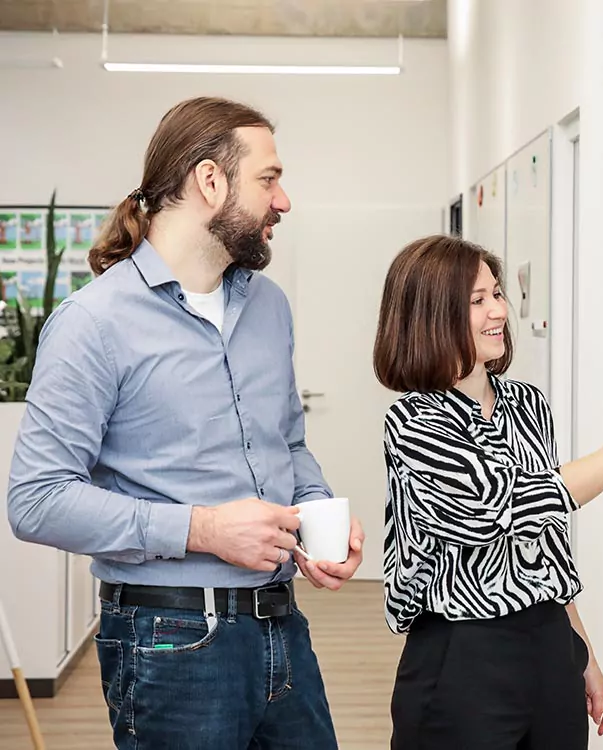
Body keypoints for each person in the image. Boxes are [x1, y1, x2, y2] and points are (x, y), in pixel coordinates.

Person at [7, 96, 365, 749]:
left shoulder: (270, 308)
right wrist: (203, 529)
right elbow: (35, 501)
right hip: (168, 641)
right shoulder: (94, 323)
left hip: (283, 627)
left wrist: (316, 511)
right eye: (268, 178)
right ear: (209, 181)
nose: (283, 201)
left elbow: (287, 441)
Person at [372, 235, 603, 750]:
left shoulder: (526, 404)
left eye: (497, 293)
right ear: (432, 317)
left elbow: (546, 545)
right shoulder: (414, 422)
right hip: (462, 657)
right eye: (477, 300)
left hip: (550, 646)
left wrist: (584, 655)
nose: (498, 311)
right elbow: (502, 507)